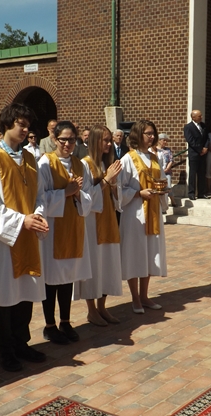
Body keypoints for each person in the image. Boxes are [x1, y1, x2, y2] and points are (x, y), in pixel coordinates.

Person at [0, 103, 50, 371]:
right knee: (5, 296)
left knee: (25, 291)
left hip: (28, 234)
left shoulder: (30, 158)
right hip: (5, 238)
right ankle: (4, 350)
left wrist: (38, 215)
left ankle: (21, 342)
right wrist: (21, 221)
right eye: (21, 124)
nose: (26, 130)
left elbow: (39, 195)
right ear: (6, 124)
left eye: (28, 125)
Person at [38, 121, 92, 344]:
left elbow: (88, 196)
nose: (68, 144)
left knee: (67, 277)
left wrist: (78, 194)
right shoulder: (46, 163)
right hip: (53, 229)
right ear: (55, 139)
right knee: (52, 279)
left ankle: (65, 322)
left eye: (71, 140)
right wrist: (66, 192)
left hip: (73, 226)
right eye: (63, 140)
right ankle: (50, 325)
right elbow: (39, 197)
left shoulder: (80, 165)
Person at [75, 125, 123, 326]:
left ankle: (102, 307)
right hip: (92, 224)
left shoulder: (106, 163)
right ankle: (91, 310)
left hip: (109, 219)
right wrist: (106, 180)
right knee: (93, 265)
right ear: (95, 141)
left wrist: (114, 184)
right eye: (105, 140)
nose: (109, 144)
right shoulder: (85, 165)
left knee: (107, 265)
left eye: (110, 140)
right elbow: (85, 197)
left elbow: (116, 197)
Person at [118, 120, 167, 313]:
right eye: (148, 133)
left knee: (149, 254)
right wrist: (138, 193)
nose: (152, 137)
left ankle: (145, 296)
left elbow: (162, 179)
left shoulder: (154, 158)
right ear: (138, 135)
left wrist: (163, 189)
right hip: (135, 213)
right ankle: (135, 298)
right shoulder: (128, 159)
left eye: (153, 133)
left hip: (153, 211)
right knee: (134, 254)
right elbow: (120, 188)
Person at [184, 110, 208, 200]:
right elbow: (190, 140)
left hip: (203, 153)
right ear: (193, 117)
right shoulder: (188, 127)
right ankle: (191, 193)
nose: (201, 117)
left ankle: (202, 192)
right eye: (199, 116)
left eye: (201, 115)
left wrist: (205, 147)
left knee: (202, 173)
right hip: (194, 153)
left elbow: (207, 138)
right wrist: (200, 149)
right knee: (193, 174)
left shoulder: (203, 126)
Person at [156, 133, 177, 207]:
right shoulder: (155, 150)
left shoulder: (168, 150)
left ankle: (172, 201)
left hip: (167, 172)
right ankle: (162, 204)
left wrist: (167, 168)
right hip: (158, 172)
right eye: (164, 140)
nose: (165, 142)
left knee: (168, 186)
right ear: (159, 140)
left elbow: (171, 160)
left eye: (166, 141)